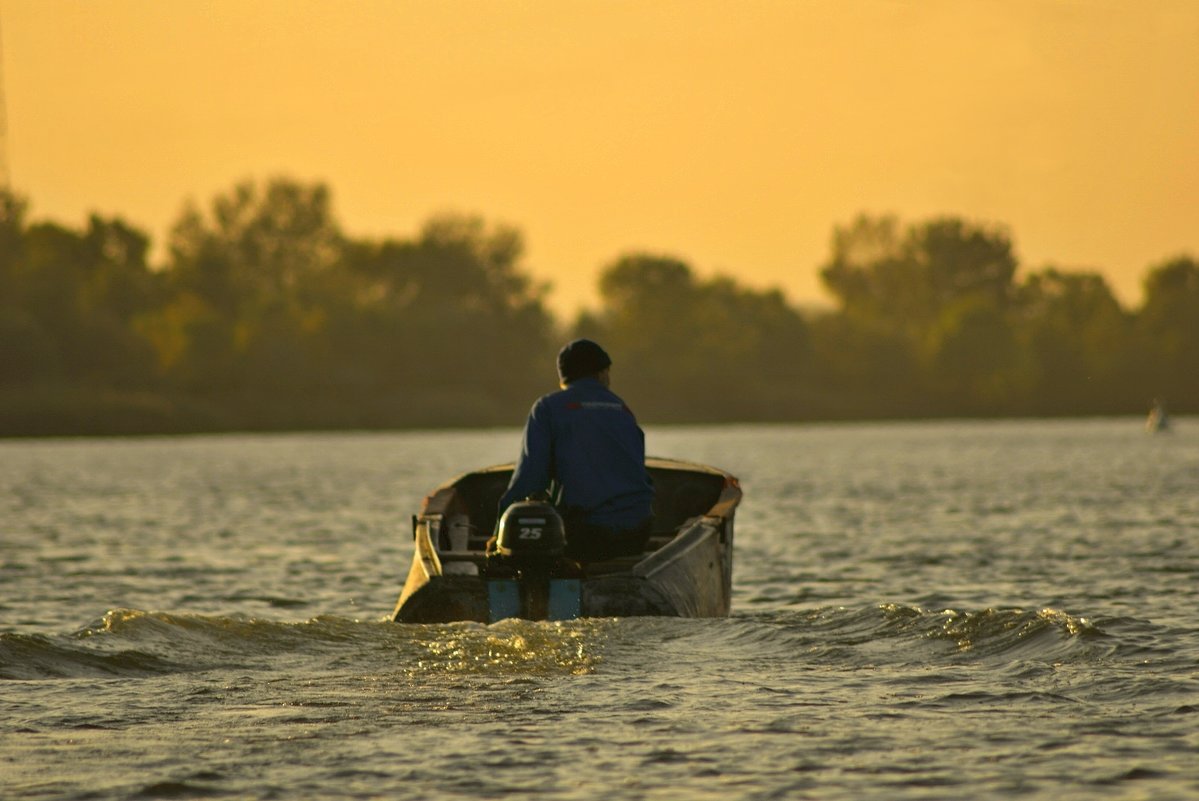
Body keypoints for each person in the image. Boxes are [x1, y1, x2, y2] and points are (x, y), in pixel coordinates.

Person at [496, 339, 654, 562]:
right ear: (600, 374)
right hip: (638, 532)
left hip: (587, 537)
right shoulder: (622, 408)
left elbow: (529, 480)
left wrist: (498, 533)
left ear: (563, 378)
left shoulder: (547, 408)